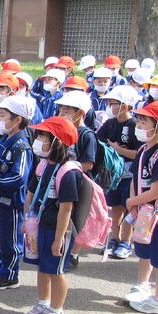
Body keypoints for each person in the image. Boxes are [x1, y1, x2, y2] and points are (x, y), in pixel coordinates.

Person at [22, 116, 82, 314]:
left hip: (59, 229)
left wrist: (59, 239)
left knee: (56, 270)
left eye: (42, 136)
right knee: (42, 267)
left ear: (57, 141)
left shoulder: (68, 172)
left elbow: (66, 208)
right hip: (40, 224)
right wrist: (26, 218)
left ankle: (57, 311)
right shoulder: (44, 164)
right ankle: (43, 303)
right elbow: (31, 192)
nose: (37, 139)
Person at [0, 96, 34, 290]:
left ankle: (10, 273)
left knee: (10, 240)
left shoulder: (22, 146)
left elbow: (18, 178)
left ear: (17, 119)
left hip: (11, 202)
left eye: (2, 116)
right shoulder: (4, 140)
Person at [122, 100, 158, 314]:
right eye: (138, 121)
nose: (138, 126)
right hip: (142, 211)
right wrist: (134, 202)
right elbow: (135, 180)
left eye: (143, 122)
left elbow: (156, 191)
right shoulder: (143, 149)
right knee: (143, 248)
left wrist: (133, 201)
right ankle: (142, 285)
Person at [96, 85, 143, 259]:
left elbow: (138, 153)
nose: (110, 107)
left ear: (124, 105)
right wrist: (110, 148)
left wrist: (118, 148)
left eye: (113, 103)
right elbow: (99, 141)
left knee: (129, 207)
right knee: (115, 208)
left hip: (130, 175)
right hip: (113, 174)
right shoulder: (110, 123)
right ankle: (114, 239)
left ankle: (126, 242)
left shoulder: (135, 124)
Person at [54, 90, 96, 270]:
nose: (62, 114)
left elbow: (88, 163)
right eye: (61, 110)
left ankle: (74, 254)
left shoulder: (87, 135)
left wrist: (70, 169)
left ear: (80, 112)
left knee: (77, 218)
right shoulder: (63, 130)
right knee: (63, 215)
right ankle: (62, 246)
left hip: (79, 181)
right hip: (63, 179)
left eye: (66, 111)